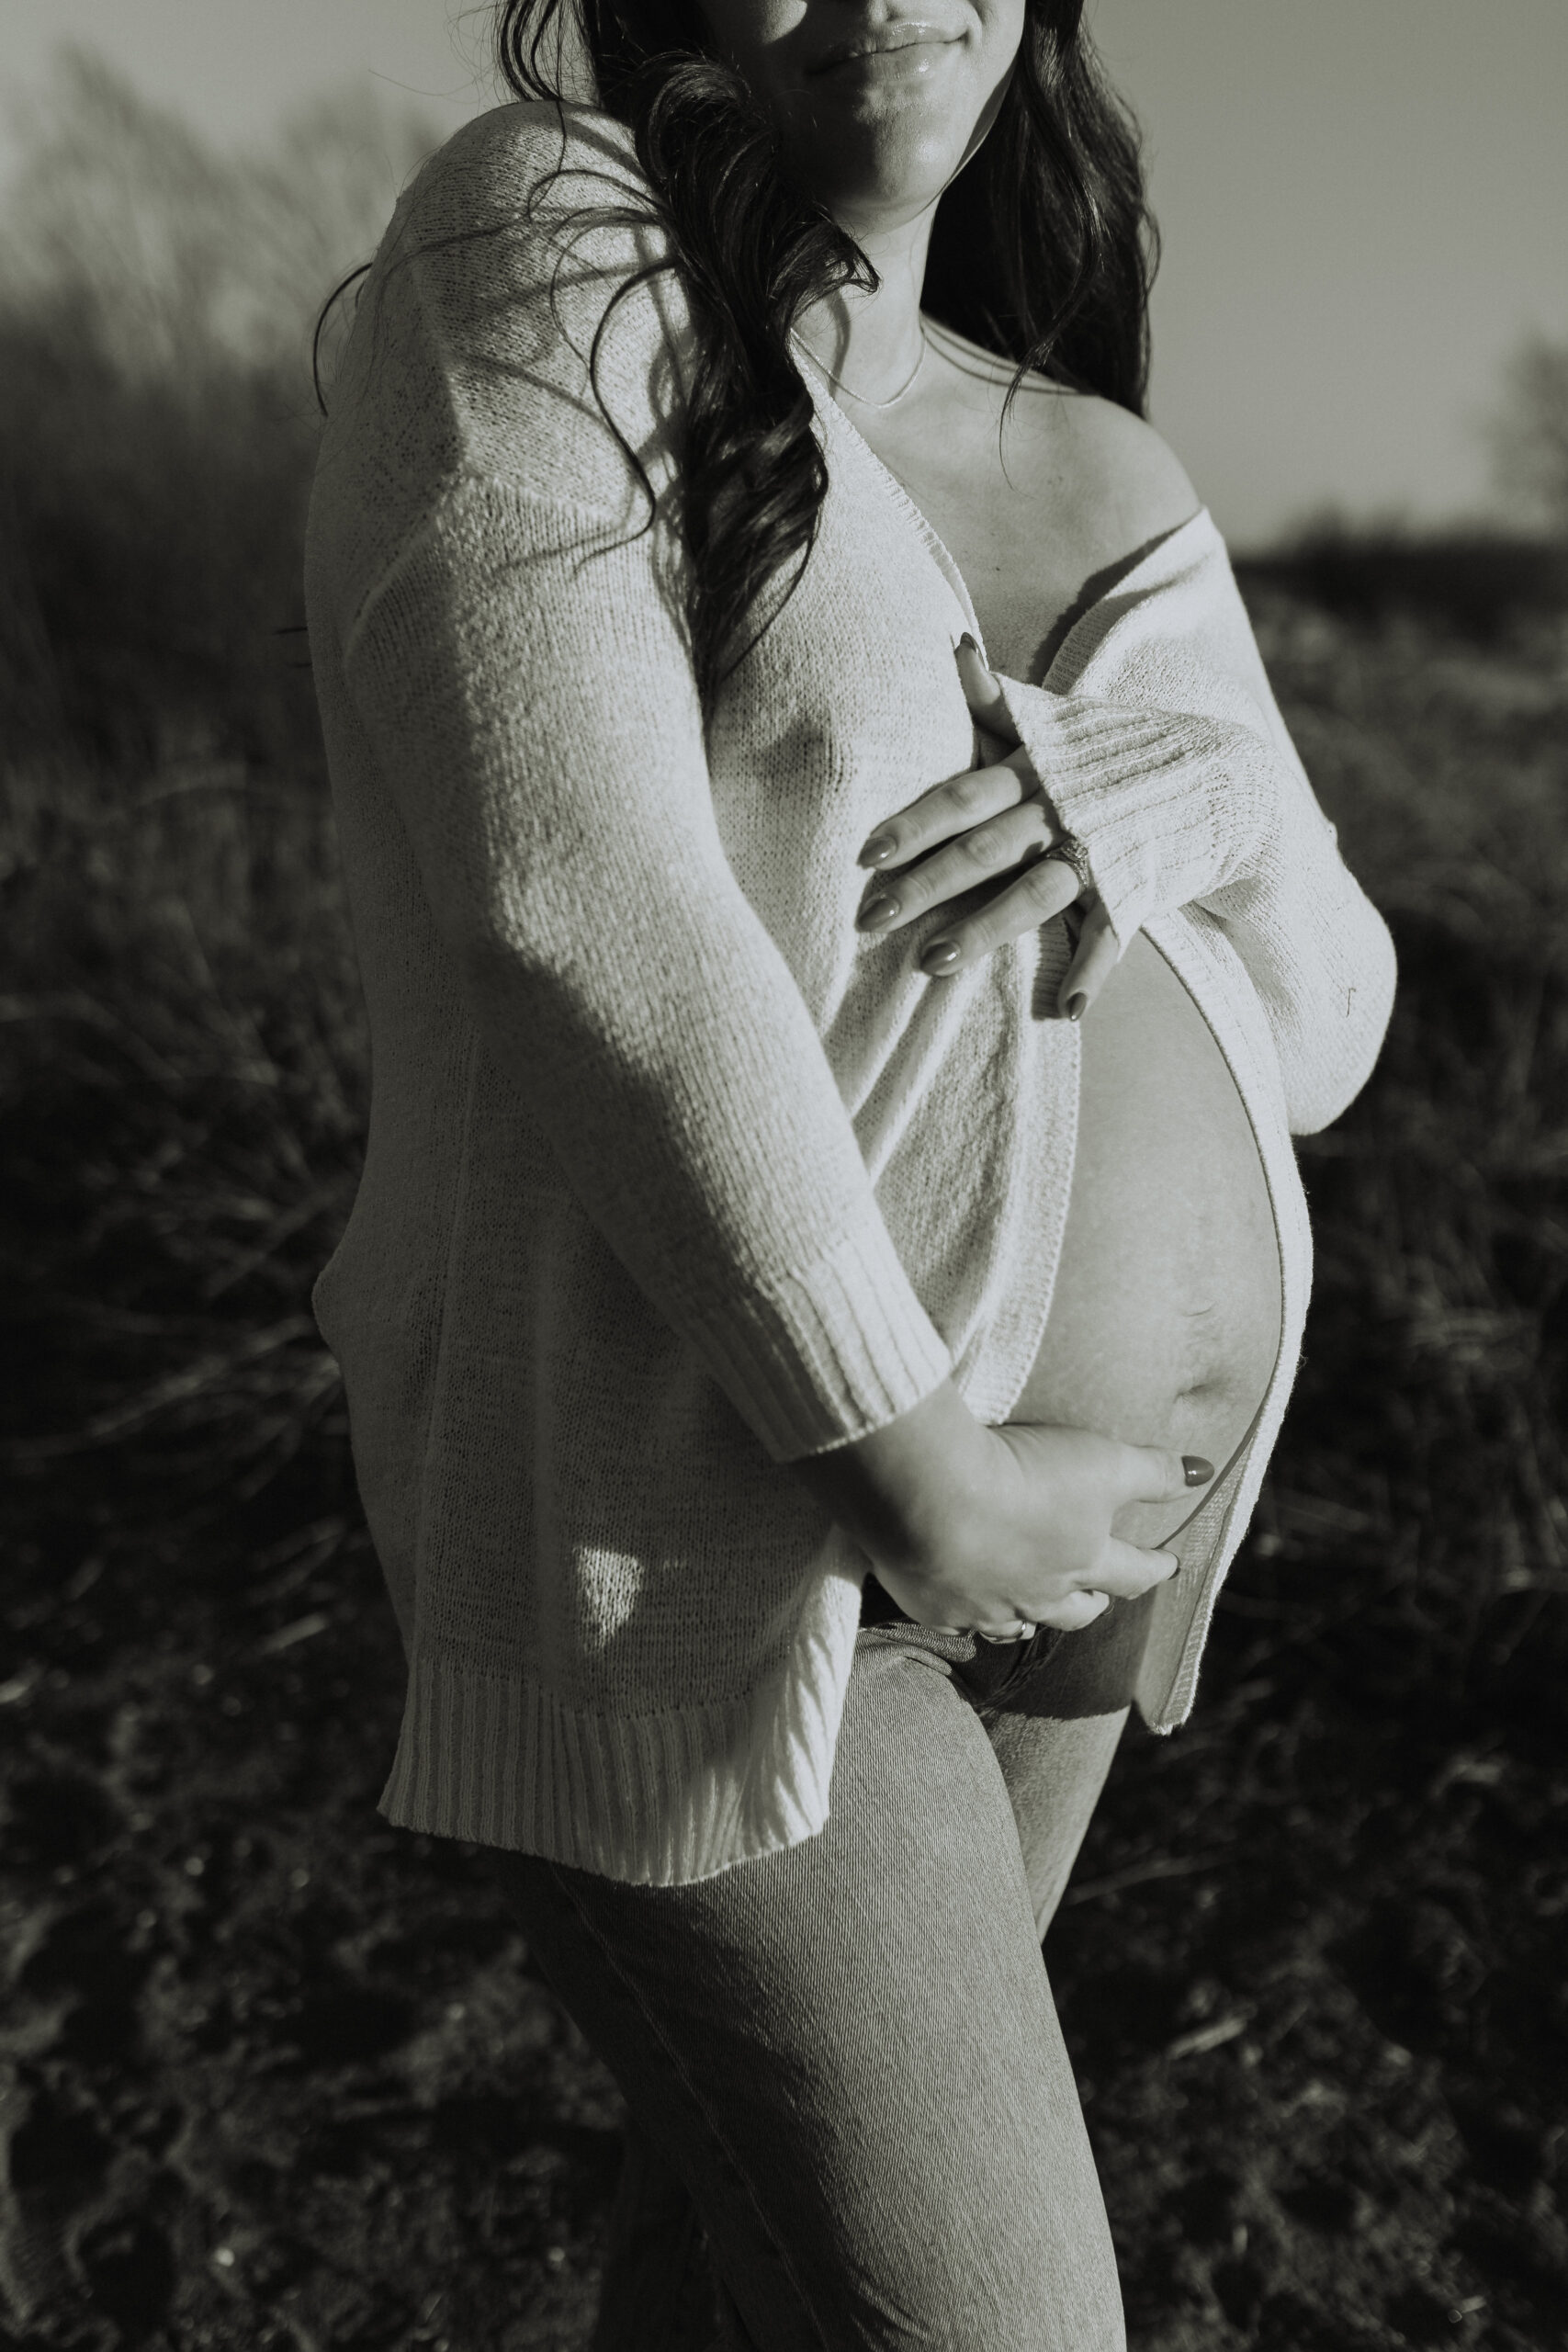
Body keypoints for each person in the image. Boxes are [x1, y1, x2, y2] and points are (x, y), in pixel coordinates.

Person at [303, 0, 1396, 2338]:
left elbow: (1322, 1019)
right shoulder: (552, 245)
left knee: (749, 2256)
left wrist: (1182, 796)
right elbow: (576, 901)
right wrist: (910, 1461)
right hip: (746, 1519)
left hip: (1068, 1564)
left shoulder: (1100, 467)